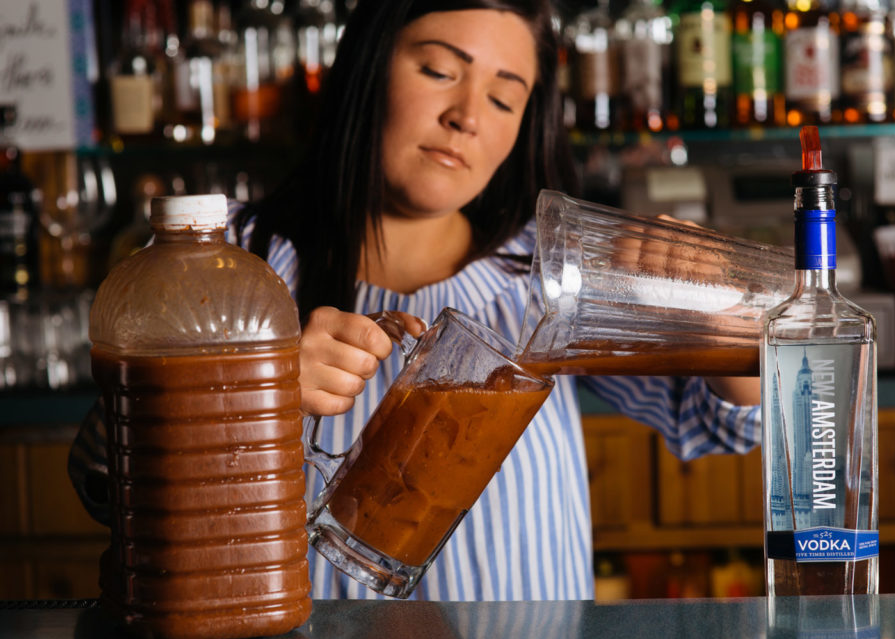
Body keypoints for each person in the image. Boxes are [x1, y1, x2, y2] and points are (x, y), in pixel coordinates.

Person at [69, 0, 762, 601]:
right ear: (368, 67)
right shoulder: (231, 259)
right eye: (438, 70)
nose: (466, 116)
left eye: (502, 97)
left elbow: (725, 426)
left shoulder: (549, 276)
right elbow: (104, 479)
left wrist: (718, 306)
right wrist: (247, 388)